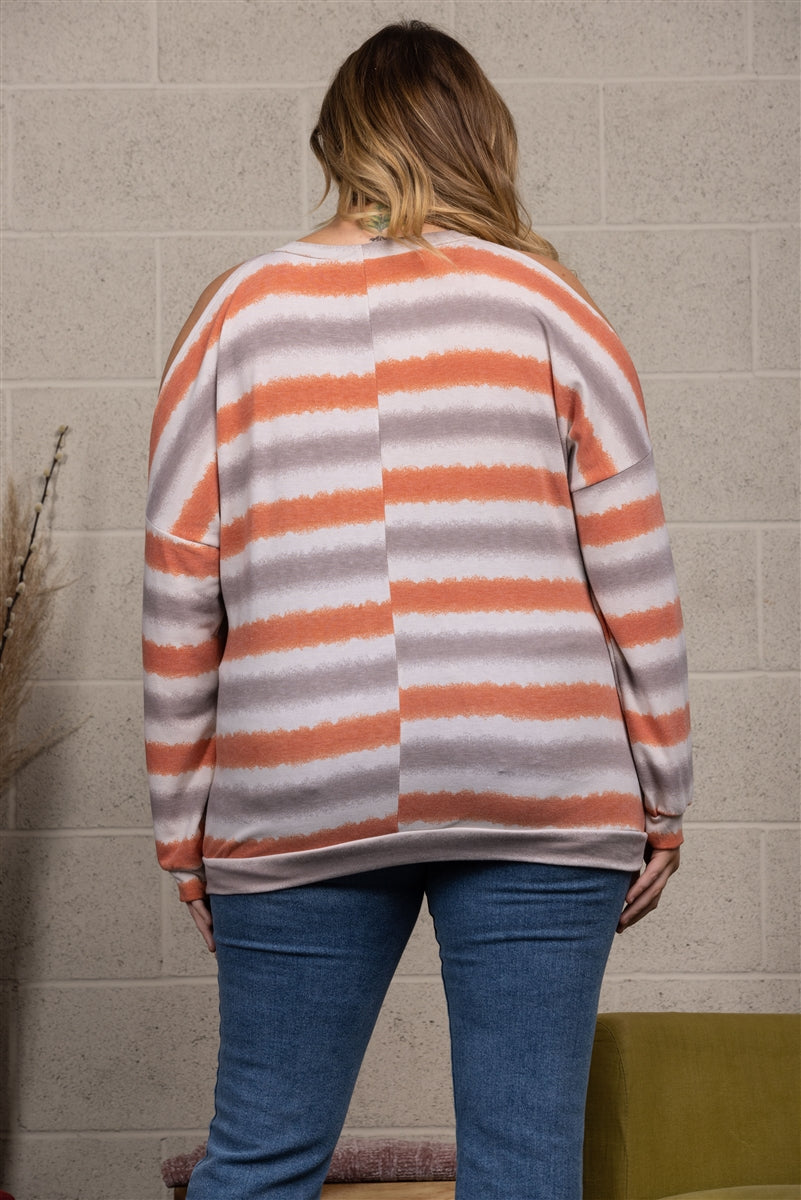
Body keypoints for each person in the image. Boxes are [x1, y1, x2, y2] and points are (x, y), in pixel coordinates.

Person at [142, 19, 692, 1200]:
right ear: (483, 140)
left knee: (259, 1159)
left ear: (335, 147)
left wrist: (183, 826)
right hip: (540, 779)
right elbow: (635, 575)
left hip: (300, 779)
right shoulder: (555, 308)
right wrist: (663, 793)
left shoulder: (236, 315)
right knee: (526, 1166)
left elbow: (181, 584)